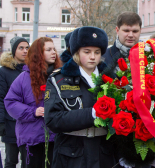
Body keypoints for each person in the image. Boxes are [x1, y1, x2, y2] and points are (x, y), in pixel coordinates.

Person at [44, 26, 115, 168]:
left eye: (97, 52)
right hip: (72, 155)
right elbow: (52, 119)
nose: (93, 56)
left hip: (104, 154)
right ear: (77, 52)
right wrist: (92, 114)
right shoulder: (59, 79)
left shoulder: (112, 79)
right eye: (87, 52)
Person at [4, 37, 61, 168]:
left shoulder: (60, 76)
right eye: (48, 49)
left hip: (55, 136)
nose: (54, 53)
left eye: (54, 49)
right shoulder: (24, 78)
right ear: (38, 53)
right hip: (31, 138)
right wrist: (33, 111)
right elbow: (10, 102)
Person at [0, 36, 29, 168]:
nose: (25, 51)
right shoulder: (3, 72)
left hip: (29, 124)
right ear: (13, 51)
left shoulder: (32, 71)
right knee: (11, 160)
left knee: (28, 161)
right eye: (21, 48)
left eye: (27, 48)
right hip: (10, 124)